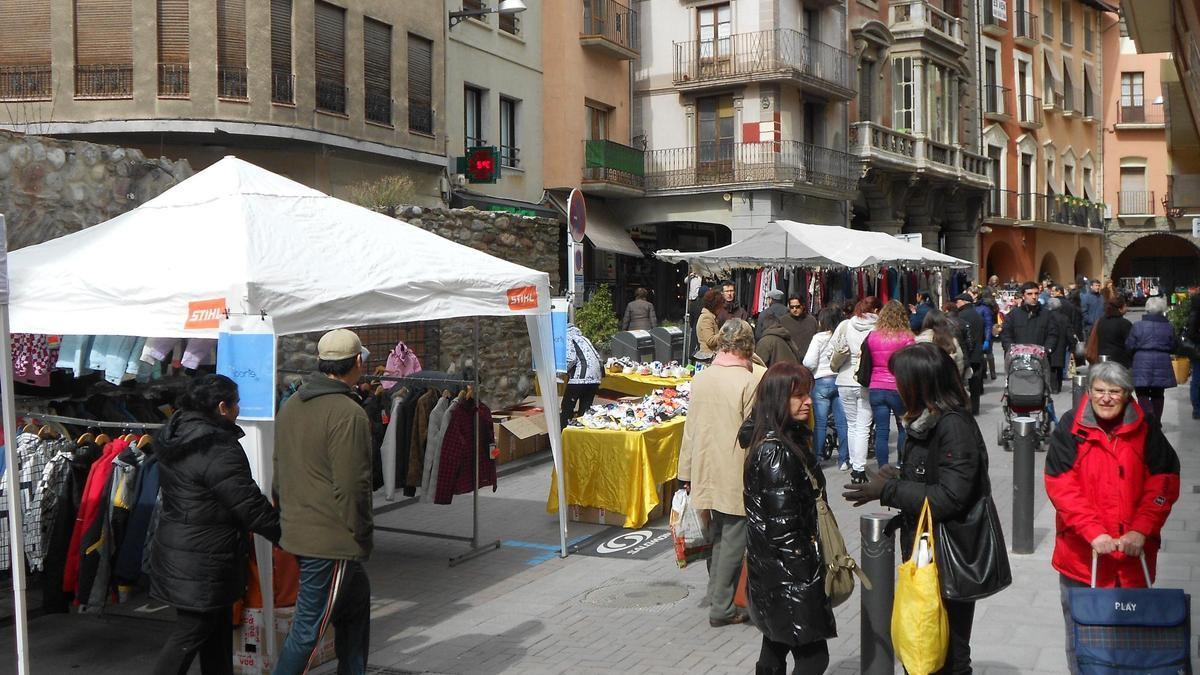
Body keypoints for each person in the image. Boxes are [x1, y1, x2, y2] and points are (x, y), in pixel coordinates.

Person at [842, 342, 990, 675]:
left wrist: (890, 489)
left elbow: (951, 497)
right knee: (923, 646)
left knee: (948, 653)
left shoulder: (953, 425)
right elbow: (934, 476)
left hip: (951, 557)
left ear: (920, 383)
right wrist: (901, 475)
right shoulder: (924, 420)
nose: (895, 387)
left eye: (900, 380)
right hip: (926, 551)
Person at [1045, 361, 1180, 673]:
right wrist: (1093, 532)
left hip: (1133, 557)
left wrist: (1141, 529)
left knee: (1132, 637)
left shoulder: (1145, 426)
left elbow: (1164, 481)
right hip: (1082, 557)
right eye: (1099, 391)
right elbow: (1061, 486)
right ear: (1089, 392)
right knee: (1082, 636)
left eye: (1114, 392)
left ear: (1127, 394)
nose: (1105, 398)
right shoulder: (1070, 427)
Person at [152, 375, 281, 675]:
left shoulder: (179, 431)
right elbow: (247, 503)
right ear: (222, 407)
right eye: (236, 403)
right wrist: (286, 535)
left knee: (217, 634)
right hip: (203, 558)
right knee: (192, 633)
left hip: (190, 550)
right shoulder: (214, 446)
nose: (239, 408)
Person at [274, 329, 374, 674]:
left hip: (301, 529)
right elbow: (352, 488)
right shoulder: (348, 413)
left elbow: (278, 471)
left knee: (356, 600)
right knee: (308, 631)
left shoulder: (292, 405)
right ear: (358, 362)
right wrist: (361, 534)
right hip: (329, 538)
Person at [743, 362, 835, 674]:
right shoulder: (776, 452)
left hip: (774, 571)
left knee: (775, 645)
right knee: (813, 659)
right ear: (778, 400)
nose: (807, 401)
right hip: (789, 573)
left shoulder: (781, 440)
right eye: (798, 396)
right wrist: (808, 574)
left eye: (807, 393)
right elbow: (783, 528)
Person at [678, 319, 766, 627]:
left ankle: (717, 595)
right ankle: (722, 606)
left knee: (717, 534)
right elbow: (753, 434)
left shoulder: (702, 379)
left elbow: (690, 431)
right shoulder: (751, 380)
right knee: (733, 537)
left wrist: (685, 473)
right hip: (734, 468)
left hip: (705, 467)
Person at [865, 300, 916, 472]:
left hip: (876, 386)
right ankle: (901, 464)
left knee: (881, 430)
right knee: (903, 427)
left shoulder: (873, 336)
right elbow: (911, 363)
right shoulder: (906, 337)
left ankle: (883, 468)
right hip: (898, 387)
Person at [834, 297, 879, 480]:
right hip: (865, 379)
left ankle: (854, 463)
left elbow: (833, 348)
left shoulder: (846, 325)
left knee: (852, 425)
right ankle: (859, 468)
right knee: (863, 426)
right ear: (876, 310)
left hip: (844, 379)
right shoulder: (877, 328)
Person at [803, 307, 849, 470]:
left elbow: (809, 362)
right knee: (842, 422)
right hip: (839, 379)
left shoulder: (818, 338)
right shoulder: (843, 336)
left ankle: (817, 458)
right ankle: (844, 459)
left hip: (821, 381)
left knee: (820, 423)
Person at [1125, 297, 1180, 421]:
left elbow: (1129, 346)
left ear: (1147, 309)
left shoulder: (1137, 326)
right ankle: (1156, 421)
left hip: (1141, 361)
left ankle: (1147, 418)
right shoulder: (1168, 327)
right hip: (1162, 361)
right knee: (1158, 394)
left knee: (1141, 392)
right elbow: (1174, 346)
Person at [561, 324, 603, 428]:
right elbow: (598, 357)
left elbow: (571, 359)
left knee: (567, 407)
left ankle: (564, 434)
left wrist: (559, 372)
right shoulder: (583, 338)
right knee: (585, 411)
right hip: (595, 378)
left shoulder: (566, 338)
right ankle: (583, 437)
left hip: (580, 377)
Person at [953, 292, 985, 414]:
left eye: (958, 301)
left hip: (966, 354)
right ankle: (975, 408)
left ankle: (964, 408)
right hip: (978, 353)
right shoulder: (977, 315)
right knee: (975, 383)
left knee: (961, 382)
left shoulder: (961, 316)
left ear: (963, 302)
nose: (956, 304)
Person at [916, 309, 965, 380]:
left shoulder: (918, 340)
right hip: (947, 382)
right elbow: (959, 362)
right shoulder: (951, 340)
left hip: (925, 383)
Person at [1091, 295, 1133, 368]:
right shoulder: (1124, 323)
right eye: (1125, 306)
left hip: (1102, 358)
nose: (1127, 308)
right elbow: (1130, 344)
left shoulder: (1101, 321)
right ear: (1120, 309)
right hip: (1119, 361)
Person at [1046, 298, 1074, 394]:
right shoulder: (1064, 317)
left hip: (1050, 344)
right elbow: (1069, 332)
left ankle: (1053, 387)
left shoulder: (1047, 317)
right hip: (1062, 344)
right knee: (1060, 366)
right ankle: (1059, 386)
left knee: (1051, 366)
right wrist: (1072, 344)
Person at [976, 289, 999, 381]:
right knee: (990, 352)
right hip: (992, 326)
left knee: (983, 353)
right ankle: (993, 372)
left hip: (983, 329)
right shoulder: (994, 304)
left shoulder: (981, 306)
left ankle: (985, 372)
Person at [696, 288, 725, 354]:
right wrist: (725, 333)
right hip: (708, 357)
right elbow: (710, 340)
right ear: (715, 305)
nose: (722, 307)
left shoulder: (712, 316)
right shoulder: (706, 318)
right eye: (721, 304)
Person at [1188, 287, 1200, 419]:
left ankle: (1197, 409)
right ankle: (1197, 409)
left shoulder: (1196, 302)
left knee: (1197, 378)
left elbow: (1191, 332)